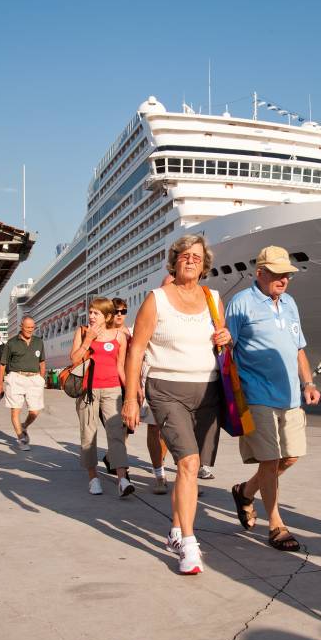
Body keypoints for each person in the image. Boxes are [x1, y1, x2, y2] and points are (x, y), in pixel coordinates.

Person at [122, 234, 230, 575]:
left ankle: (174, 528)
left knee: (191, 468)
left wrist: (225, 338)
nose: (191, 260)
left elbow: (221, 342)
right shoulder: (156, 300)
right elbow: (136, 349)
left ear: (205, 264)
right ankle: (189, 543)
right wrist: (130, 398)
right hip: (166, 388)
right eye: (185, 255)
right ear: (174, 260)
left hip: (208, 390)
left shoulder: (213, 299)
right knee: (188, 461)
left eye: (197, 257)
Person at [225, 246, 321, 552]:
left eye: (287, 275)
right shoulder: (241, 303)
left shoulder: (290, 303)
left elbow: (298, 348)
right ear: (260, 273)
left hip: (291, 393)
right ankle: (276, 524)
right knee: (269, 460)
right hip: (256, 394)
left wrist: (308, 382)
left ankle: (245, 491)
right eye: (277, 274)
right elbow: (228, 350)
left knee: (290, 456)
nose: (283, 280)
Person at [71, 298, 132, 497]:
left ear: (107, 316)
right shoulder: (81, 332)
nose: (91, 316)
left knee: (116, 434)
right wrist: (88, 339)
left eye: (96, 313)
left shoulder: (119, 336)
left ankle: (122, 478)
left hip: (112, 389)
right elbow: (74, 359)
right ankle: (93, 478)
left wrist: (131, 393)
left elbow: (121, 367)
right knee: (88, 434)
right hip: (88, 390)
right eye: (90, 312)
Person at [118, 293, 169, 495]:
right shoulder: (137, 328)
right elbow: (133, 356)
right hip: (151, 381)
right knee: (155, 429)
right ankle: (160, 474)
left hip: (181, 383)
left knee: (175, 433)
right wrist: (134, 390)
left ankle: (185, 475)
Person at [0, 315, 46, 451]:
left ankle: (24, 426)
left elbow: (42, 361)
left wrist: (42, 378)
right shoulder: (11, 343)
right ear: (21, 327)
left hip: (34, 378)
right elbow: (2, 365)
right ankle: (21, 438)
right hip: (16, 377)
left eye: (32, 328)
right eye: (28, 327)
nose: (30, 330)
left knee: (35, 411)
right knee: (15, 411)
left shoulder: (38, 342)